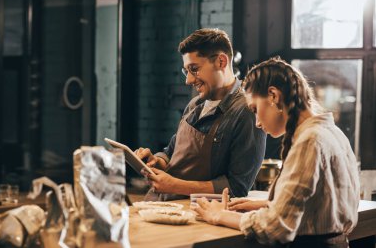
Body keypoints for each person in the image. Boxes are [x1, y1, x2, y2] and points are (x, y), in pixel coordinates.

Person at [194, 57, 360, 248]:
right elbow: (322, 205)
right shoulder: (332, 132)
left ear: (273, 96)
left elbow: (277, 227)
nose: (256, 122)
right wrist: (269, 205)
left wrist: (219, 215)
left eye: (255, 109)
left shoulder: (309, 140)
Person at [135, 28, 266, 201]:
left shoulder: (246, 111)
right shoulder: (195, 104)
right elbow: (171, 152)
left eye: (194, 69)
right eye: (186, 71)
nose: (188, 80)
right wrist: (155, 161)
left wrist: (174, 185)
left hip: (193, 216)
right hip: (158, 205)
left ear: (221, 61)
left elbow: (237, 187)